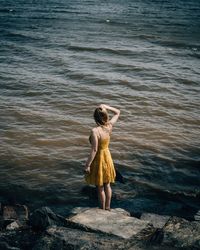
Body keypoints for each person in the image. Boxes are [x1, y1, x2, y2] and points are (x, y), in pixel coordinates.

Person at [84, 104, 120, 210]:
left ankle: (102, 208)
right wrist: (106, 107)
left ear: (95, 118)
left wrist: (87, 165)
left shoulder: (95, 131)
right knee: (107, 184)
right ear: (105, 116)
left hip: (99, 159)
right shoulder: (109, 126)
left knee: (100, 187)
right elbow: (118, 112)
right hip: (107, 156)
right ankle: (108, 207)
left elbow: (94, 149)